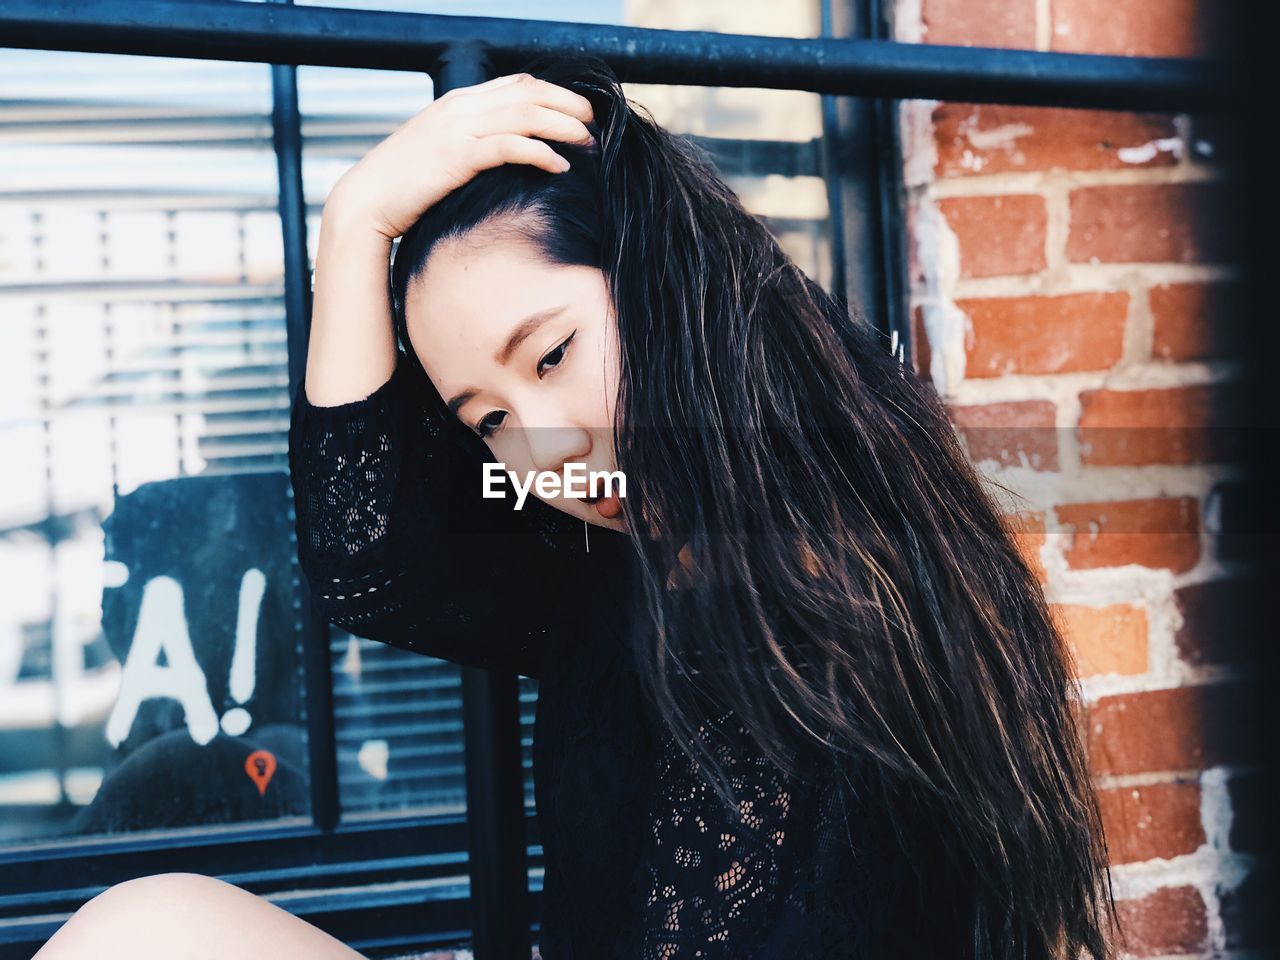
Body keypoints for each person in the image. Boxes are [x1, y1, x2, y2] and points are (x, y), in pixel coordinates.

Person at [34, 55, 1118, 959]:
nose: (547, 447)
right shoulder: (599, 576)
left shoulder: (879, 581)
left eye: (551, 355)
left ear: (662, 282)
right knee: (144, 929)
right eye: (489, 420)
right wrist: (354, 224)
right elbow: (364, 559)